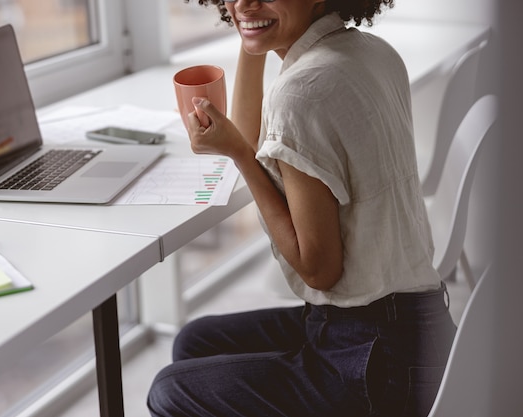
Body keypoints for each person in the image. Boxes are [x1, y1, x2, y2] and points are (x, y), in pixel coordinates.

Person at [148, 0, 457, 415]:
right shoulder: (371, 51)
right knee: (195, 340)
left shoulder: (300, 92)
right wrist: (251, 34)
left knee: (170, 390)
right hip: (418, 326)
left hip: (377, 361)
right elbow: (261, 139)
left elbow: (320, 269)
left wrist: (239, 154)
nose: (242, 3)